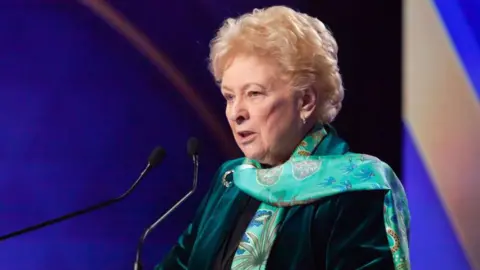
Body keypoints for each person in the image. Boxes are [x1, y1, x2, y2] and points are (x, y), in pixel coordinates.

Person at [156, 5, 410, 270]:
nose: (236, 113)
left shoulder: (356, 190)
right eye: (230, 97)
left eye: (254, 93)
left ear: (306, 101)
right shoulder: (231, 181)